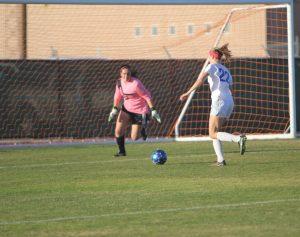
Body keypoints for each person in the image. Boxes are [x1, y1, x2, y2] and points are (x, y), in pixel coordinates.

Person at [179, 43, 247, 166]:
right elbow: (231, 88)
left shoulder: (211, 67)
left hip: (219, 100)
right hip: (229, 101)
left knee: (212, 133)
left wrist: (188, 92)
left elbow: (200, 80)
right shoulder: (226, 70)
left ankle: (238, 139)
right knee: (216, 132)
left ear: (211, 56)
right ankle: (220, 160)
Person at [108, 65, 161, 157]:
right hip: (126, 109)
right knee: (118, 131)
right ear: (120, 74)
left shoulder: (135, 84)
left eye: (128, 74)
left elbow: (146, 96)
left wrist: (153, 110)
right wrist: (114, 108)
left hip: (140, 111)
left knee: (134, 138)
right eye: (124, 74)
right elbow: (117, 96)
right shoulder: (119, 83)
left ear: (130, 74)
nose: (126, 76)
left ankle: (143, 128)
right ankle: (122, 152)